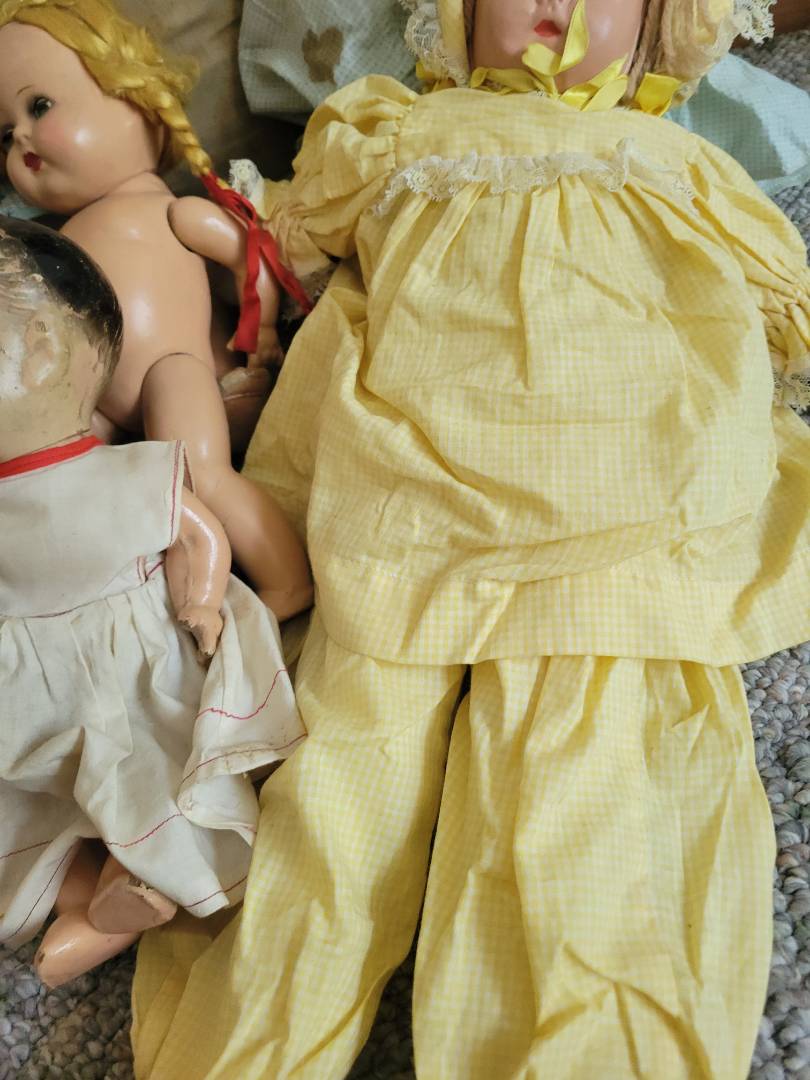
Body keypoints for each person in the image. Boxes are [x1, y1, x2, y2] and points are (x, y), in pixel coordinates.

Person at [133, 1, 810, 1076]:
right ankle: (239, 1050)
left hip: (622, 518)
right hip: (405, 501)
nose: (553, 4)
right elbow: (285, 237)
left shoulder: (682, 163)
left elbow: (783, 307)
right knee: (328, 798)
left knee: (600, 813)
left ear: (658, 30)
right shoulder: (402, 133)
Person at [0, 215, 304, 988]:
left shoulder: (118, 472)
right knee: (26, 815)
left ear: (42, 351)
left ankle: (115, 899)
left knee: (145, 776)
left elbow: (193, 529)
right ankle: (93, 902)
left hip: (130, 666)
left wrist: (200, 597)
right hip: (25, 693)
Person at [0, 0, 312, 619]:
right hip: (95, 405)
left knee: (198, 473)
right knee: (53, 485)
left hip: (177, 375)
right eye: (5, 135)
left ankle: (286, 582)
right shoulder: (55, 241)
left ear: (136, 100)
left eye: (39, 106)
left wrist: (263, 337)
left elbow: (251, 259)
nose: (22, 138)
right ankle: (96, 612)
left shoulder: (172, 211)